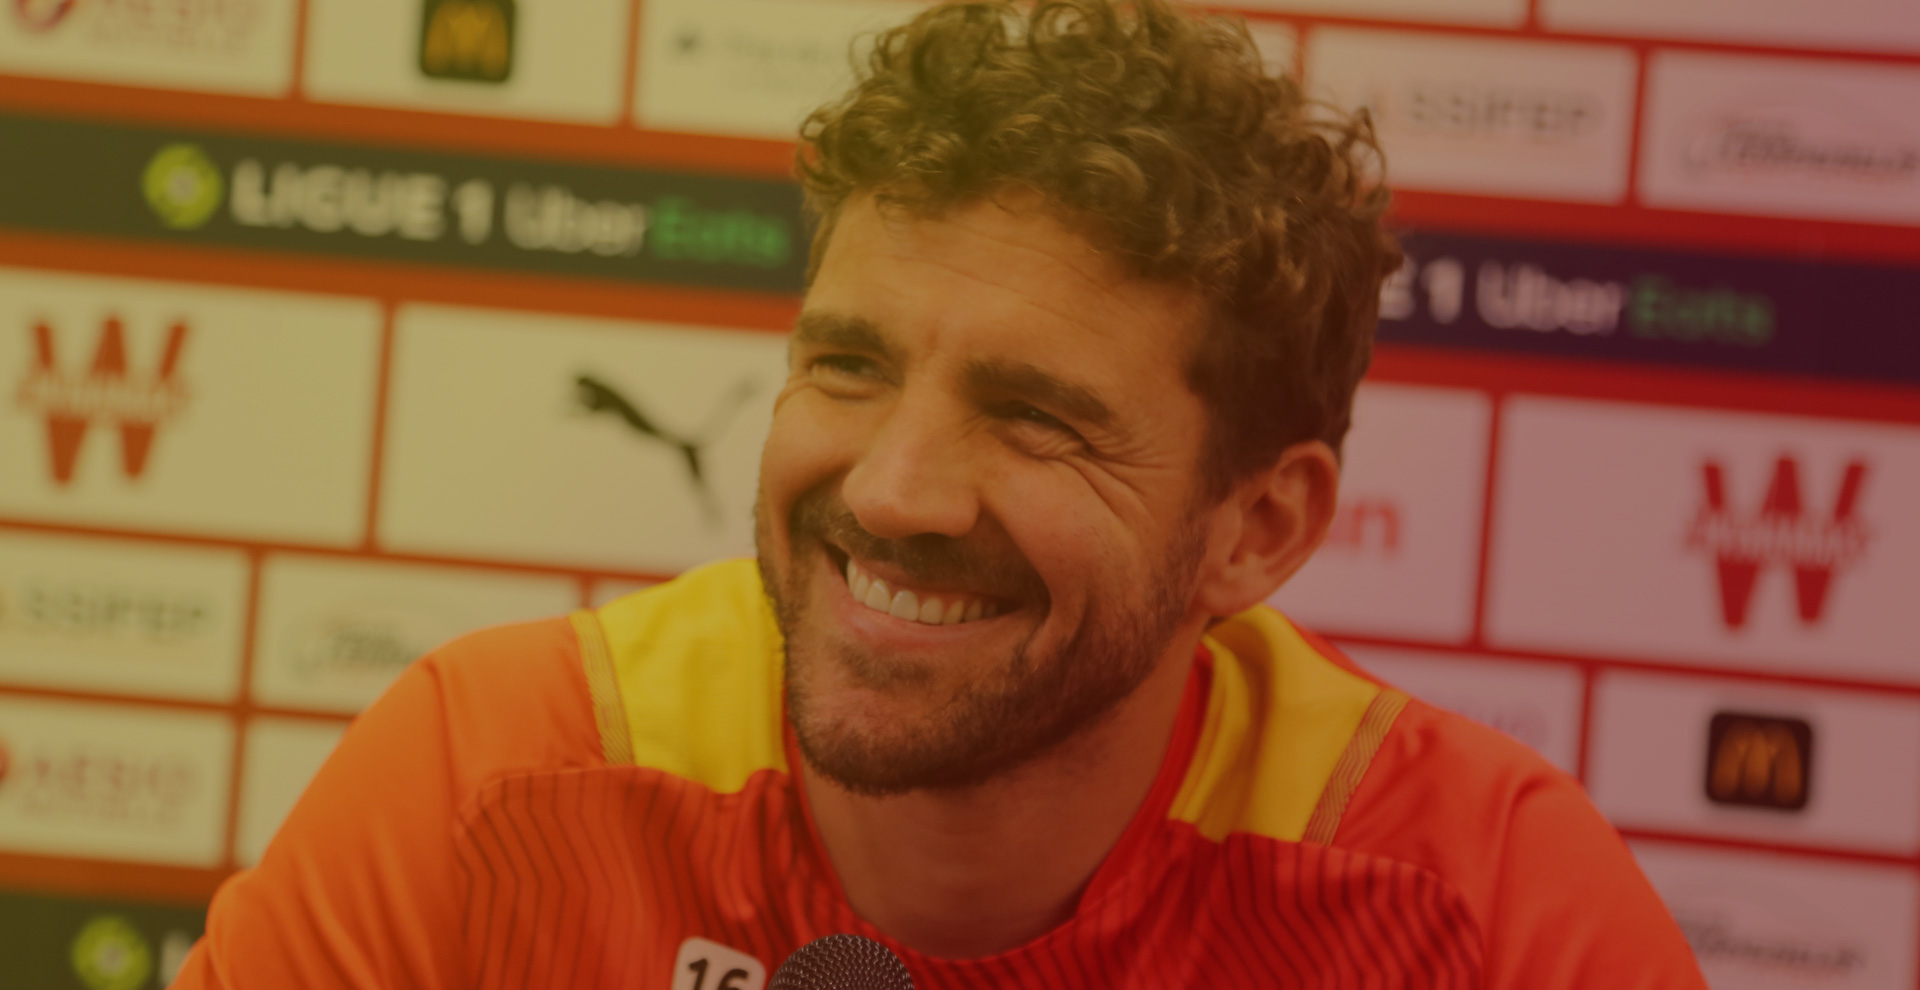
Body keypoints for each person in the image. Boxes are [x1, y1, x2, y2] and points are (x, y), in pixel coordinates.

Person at [176, 1, 1706, 987]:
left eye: (1035, 418)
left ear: (1259, 529)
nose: (895, 488)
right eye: (848, 365)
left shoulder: (1482, 905)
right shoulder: (498, 776)